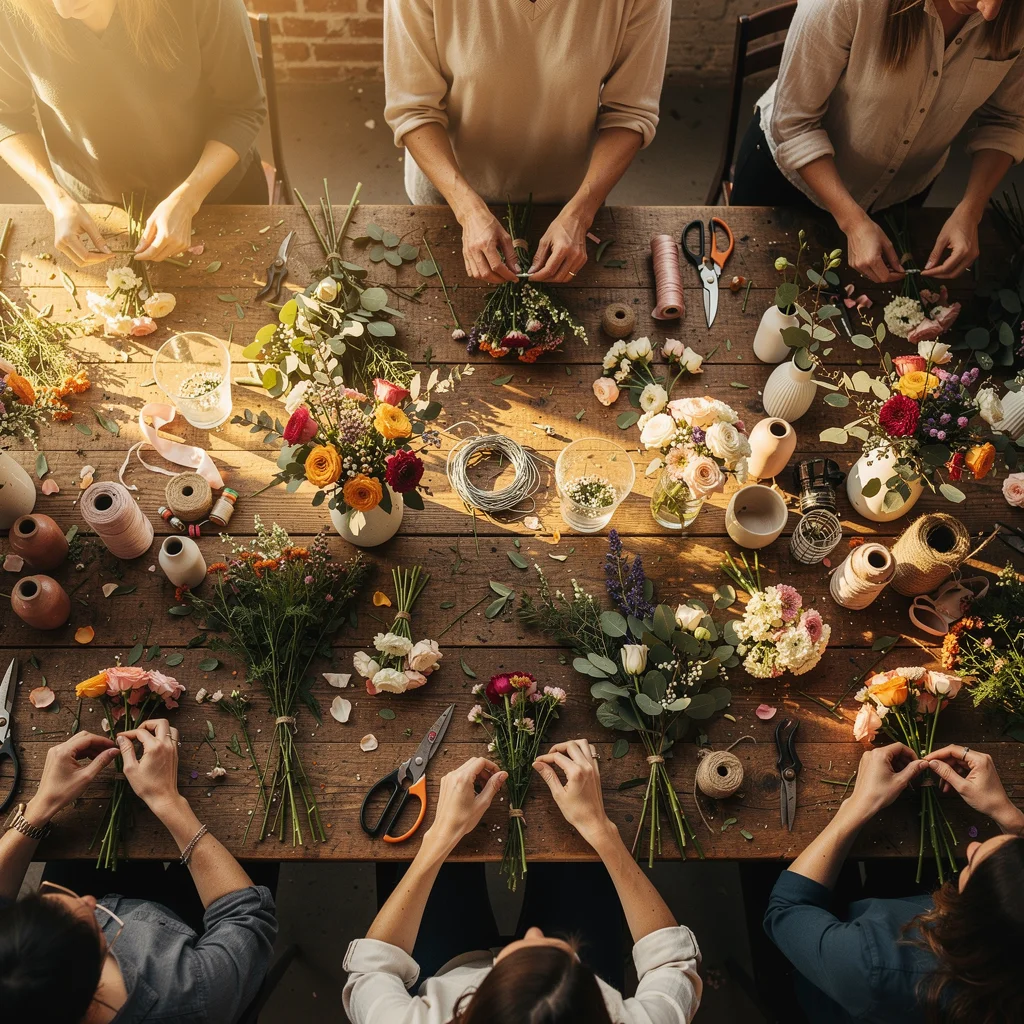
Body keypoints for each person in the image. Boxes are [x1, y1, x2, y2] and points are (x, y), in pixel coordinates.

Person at [343, 740, 702, 1023]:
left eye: (528, 946)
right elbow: (671, 966)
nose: (534, 933)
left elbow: (372, 969)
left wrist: (439, 838)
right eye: (563, 956)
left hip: (448, 967)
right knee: (577, 853)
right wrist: (600, 830)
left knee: (450, 860)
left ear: (473, 1006)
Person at [0, 721, 278, 1023]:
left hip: (130, 915)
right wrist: (167, 800)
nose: (90, 902)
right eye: (88, 926)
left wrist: (42, 805)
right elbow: (247, 916)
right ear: (92, 992)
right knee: (261, 830)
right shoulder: (193, 997)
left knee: (90, 820)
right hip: (190, 930)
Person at [730, 0, 1024, 283]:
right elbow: (794, 123)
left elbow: (1007, 120)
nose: (990, 10)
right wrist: (853, 221)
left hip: (899, 196)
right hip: (790, 183)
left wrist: (971, 209)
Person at [383, 0, 670, 284]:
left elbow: (629, 113)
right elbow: (414, 109)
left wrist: (579, 215)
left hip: (569, 202)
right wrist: (468, 211)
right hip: (451, 193)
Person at [764, 741, 1024, 1024]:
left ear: (971, 917)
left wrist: (858, 805)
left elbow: (787, 908)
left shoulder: (876, 966)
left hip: (829, 971)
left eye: (972, 865)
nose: (972, 848)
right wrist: (1012, 820)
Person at [0, 0, 267, 266]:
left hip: (216, 197)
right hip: (95, 214)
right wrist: (55, 198)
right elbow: (6, 115)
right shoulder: (10, 11)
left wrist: (189, 197)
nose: (63, 10)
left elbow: (242, 109)